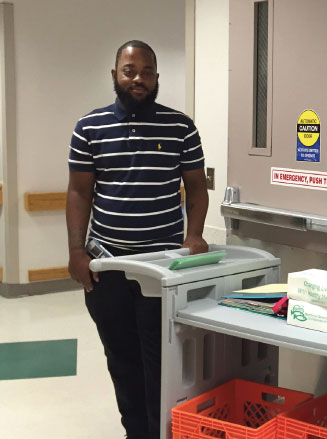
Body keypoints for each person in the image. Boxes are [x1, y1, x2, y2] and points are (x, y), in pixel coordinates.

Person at [66, 40, 209, 439]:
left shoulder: (180, 126)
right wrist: (77, 252)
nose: (138, 79)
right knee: (122, 360)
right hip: (108, 267)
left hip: (161, 270)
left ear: (157, 78)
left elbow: (196, 188)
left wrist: (193, 235)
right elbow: (79, 193)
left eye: (147, 72)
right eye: (130, 71)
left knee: (162, 362)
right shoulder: (89, 128)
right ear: (115, 75)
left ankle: (162, 432)